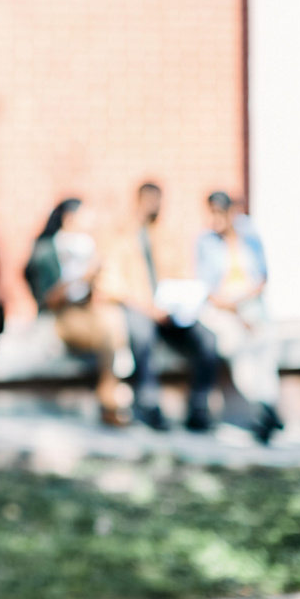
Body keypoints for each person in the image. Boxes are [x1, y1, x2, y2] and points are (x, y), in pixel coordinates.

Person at [100, 182, 218, 432]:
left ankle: (199, 406)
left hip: (169, 309)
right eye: (150, 201)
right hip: (137, 308)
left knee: (206, 339)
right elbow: (112, 284)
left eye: (159, 201)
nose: (155, 207)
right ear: (139, 201)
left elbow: (182, 274)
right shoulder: (121, 235)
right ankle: (149, 403)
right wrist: (148, 307)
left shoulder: (167, 236)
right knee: (143, 335)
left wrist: (178, 301)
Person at [24, 198, 131, 426]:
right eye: (85, 216)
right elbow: (48, 298)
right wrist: (83, 277)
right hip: (60, 315)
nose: (90, 222)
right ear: (69, 217)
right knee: (109, 333)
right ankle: (110, 397)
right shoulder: (48, 249)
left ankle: (110, 393)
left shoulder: (88, 245)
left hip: (87, 310)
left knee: (114, 319)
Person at [195, 191, 284, 444]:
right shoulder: (204, 241)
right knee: (239, 348)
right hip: (224, 310)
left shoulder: (249, 234)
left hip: (251, 305)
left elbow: (262, 277)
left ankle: (267, 405)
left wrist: (246, 309)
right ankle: (260, 408)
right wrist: (236, 311)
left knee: (265, 345)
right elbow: (208, 290)